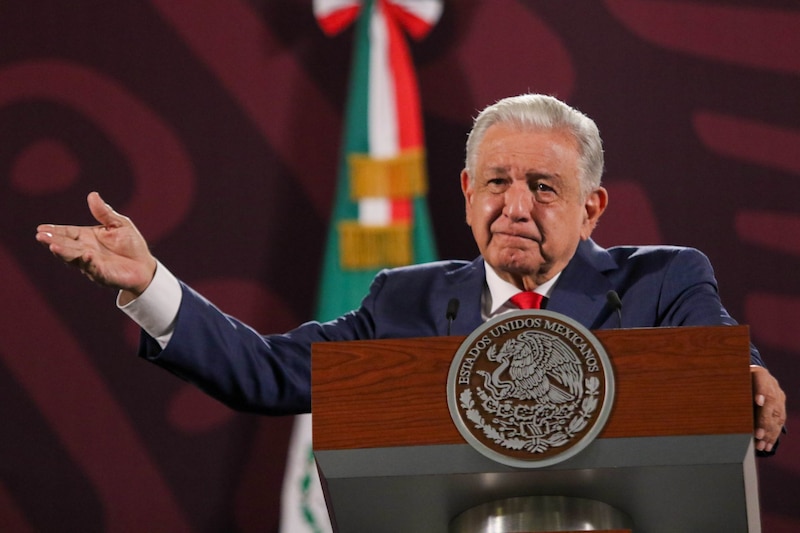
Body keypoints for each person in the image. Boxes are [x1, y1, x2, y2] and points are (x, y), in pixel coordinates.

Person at [36, 93, 785, 454]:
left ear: (592, 209)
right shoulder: (407, 301)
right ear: (465, 194)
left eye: (544, 187)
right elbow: (265, 373)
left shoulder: (662, 282)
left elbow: (711, 357)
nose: (515, 206)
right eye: (496, 182)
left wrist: (746, 376)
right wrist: (149, 282)